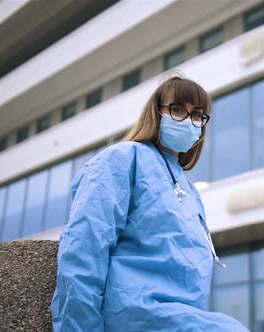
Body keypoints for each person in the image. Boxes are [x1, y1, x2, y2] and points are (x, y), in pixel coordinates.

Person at [50, 74, 249, 332]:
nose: (188, 121)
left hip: (180, 316)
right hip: (136, 314)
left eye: (197, 115)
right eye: (178, 109)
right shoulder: (122, 159)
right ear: (156, 112)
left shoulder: (190, 191)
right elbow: (85, 245)